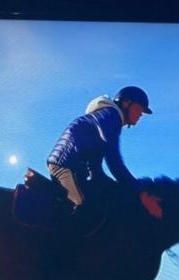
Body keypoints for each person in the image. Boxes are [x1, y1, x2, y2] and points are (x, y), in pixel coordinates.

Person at [46, 86, 163, 234]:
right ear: (126, 104)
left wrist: (118, 186)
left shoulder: (107, 117)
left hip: (75, 168)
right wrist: (140, 191)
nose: (140, 114)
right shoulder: (111, 116)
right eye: (139, 109)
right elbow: (114, 161)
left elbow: (96, 167)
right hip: (64, 166)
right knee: (82, 208)